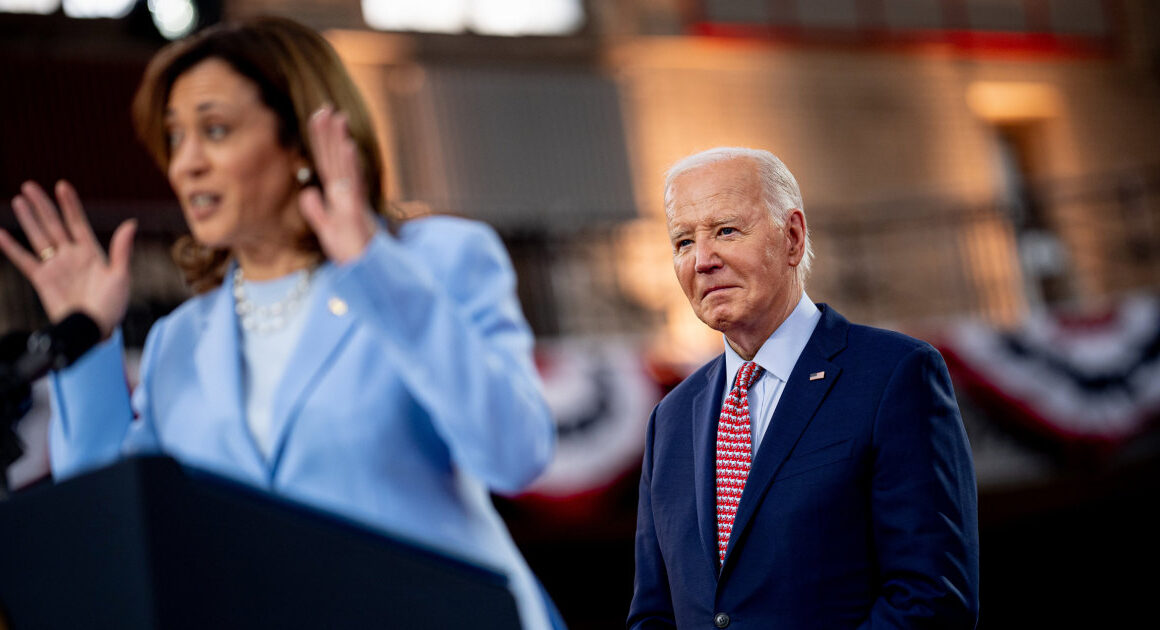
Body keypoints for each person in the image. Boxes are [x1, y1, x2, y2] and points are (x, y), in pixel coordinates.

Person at [0, 17, 559, 630]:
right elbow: (109, 532)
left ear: (301, 140)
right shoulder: (181, 340)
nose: (185, 163)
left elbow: (515, 453)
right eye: (174, 137)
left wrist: (371, 266)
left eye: (214, 131)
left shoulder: (434, 259)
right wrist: (88, 347)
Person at [628, 147, 979, 629]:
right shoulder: (668, 418)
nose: (702, 260)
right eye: (684, 241)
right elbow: (653, 614)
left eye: (726, 231)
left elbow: (931, 598)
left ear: (792, 237)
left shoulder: (895, 375)